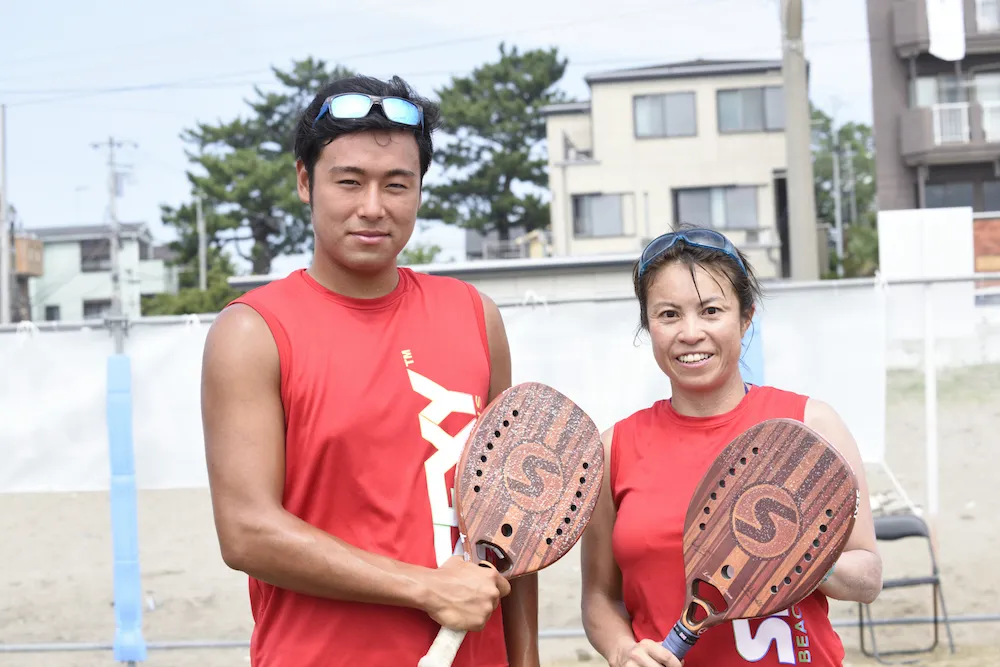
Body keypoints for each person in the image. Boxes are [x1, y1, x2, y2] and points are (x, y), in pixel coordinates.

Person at [200, 74, 539, 667]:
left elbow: (513, 515)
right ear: (305, 182)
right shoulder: (253, 331)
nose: (373, 207)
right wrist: (424, 586)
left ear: (419, 193)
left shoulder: (474, 316)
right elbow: (246, 530)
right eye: (349, 182)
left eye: (397, 185)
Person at [579, 226, 883, 667]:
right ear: (649, 327)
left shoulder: (810, 426)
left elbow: (868, 578)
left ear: (746, 318)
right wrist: (622, 651)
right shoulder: (613, 450)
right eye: (668, 315)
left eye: (711, 311)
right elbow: (599, 599)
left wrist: (803, 558)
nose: (690, 332)